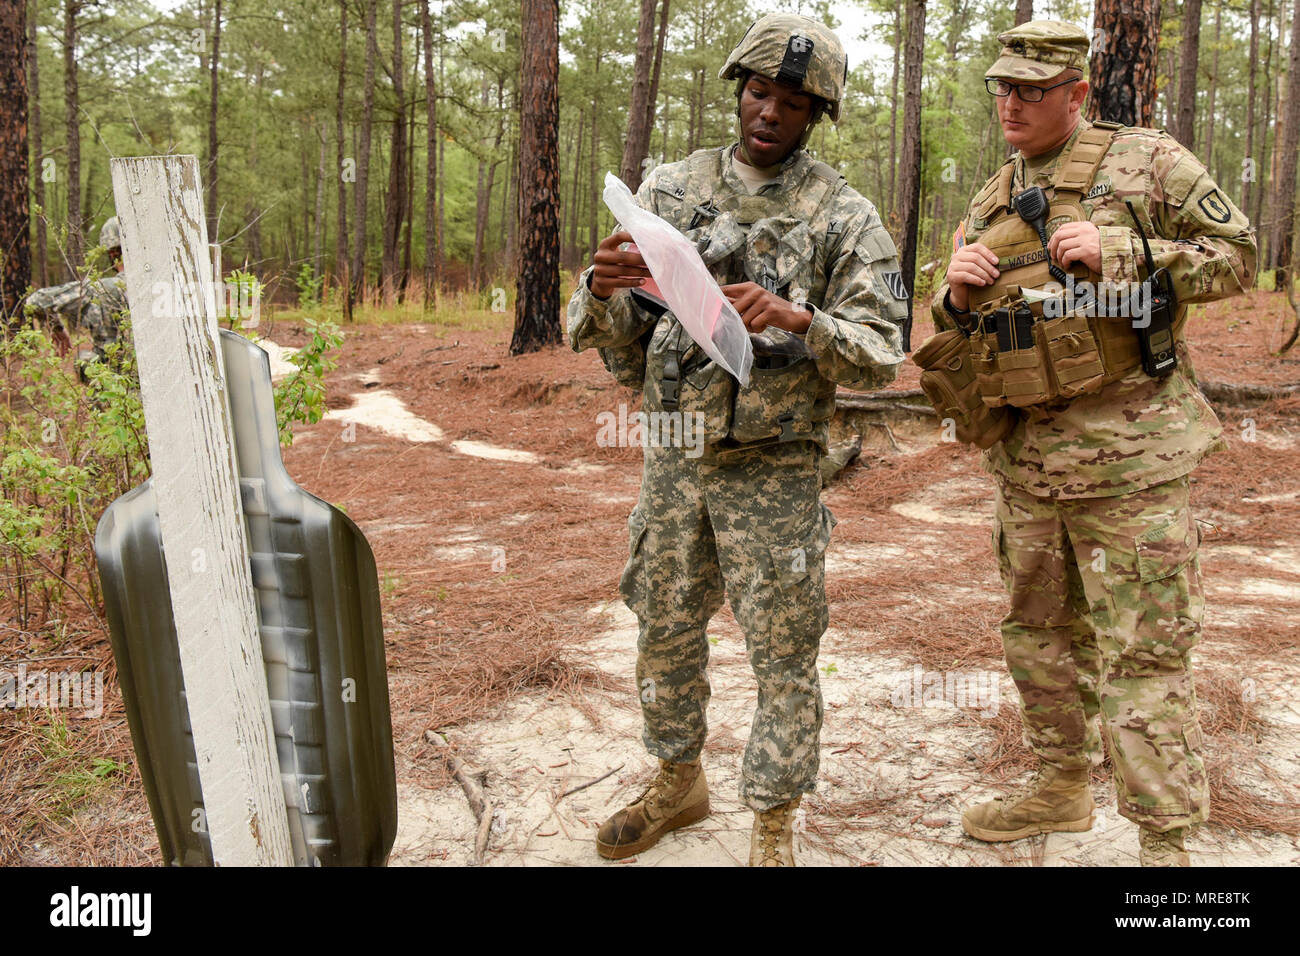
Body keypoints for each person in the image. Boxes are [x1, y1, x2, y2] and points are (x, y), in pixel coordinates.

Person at [567, 12, 908, 866]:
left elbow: (881, 355)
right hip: (676, 461)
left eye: (792, 103)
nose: (769, 113)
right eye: (759, 92)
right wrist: (603, 290)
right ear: (739, 93)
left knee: (784, 647)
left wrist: (802, 318)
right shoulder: (671, 189)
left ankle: (772, 824)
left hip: (776, 469)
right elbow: (616, 343)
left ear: (815, 115)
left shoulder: (845, 214)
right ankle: (679, 780)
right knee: (664, 628)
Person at [926, 20, 1256, 866]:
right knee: (1036, 639)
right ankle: (1059, 786)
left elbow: (1240, 257)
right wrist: (953, 299)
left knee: (1142, 657)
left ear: (1076, 93)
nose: (1011, 103)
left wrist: (1125, 248)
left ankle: (1166, 850)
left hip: (1133, 466)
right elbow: (961, 326)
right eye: (1002, 88)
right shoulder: (992, 196)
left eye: (1031, 91)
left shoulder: (1149, 161)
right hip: (1029, 466)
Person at [25, 216, 129, 373]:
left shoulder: (98, 289)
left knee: (84, 359)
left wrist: (56, 330)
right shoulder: (170, 286)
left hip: (115, 389)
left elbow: (36, 301)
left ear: (112, 253)